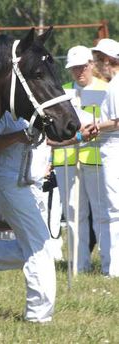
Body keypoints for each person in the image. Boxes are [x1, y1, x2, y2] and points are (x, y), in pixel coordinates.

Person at [0, 111, 57, 322]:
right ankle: (38, 317)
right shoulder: (6, 114)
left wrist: (80, 137)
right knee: (40, 246)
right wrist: (17, 136)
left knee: (31, 247)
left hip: (28, 186)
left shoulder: (38, 111)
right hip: (9, 185)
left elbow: (46, 140)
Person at [48, 45, 109, 273]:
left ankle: (108, 265)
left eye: (82, 66)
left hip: (97, 159)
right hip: (67, 160)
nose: (79, 72)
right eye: (74, 68)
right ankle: (78, 266)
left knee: (102, 215)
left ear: (91, 64)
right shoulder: (61, 92)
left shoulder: (107, 88)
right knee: (74, 215)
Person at [91, 38, 119, 277]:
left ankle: (114, 268)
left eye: (98, 59)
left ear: (108, 59)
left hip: (114, 147)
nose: (96, 64)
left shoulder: (116, 86)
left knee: (114, 209)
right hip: (110, 146)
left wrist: (96, 126)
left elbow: (118, 121)